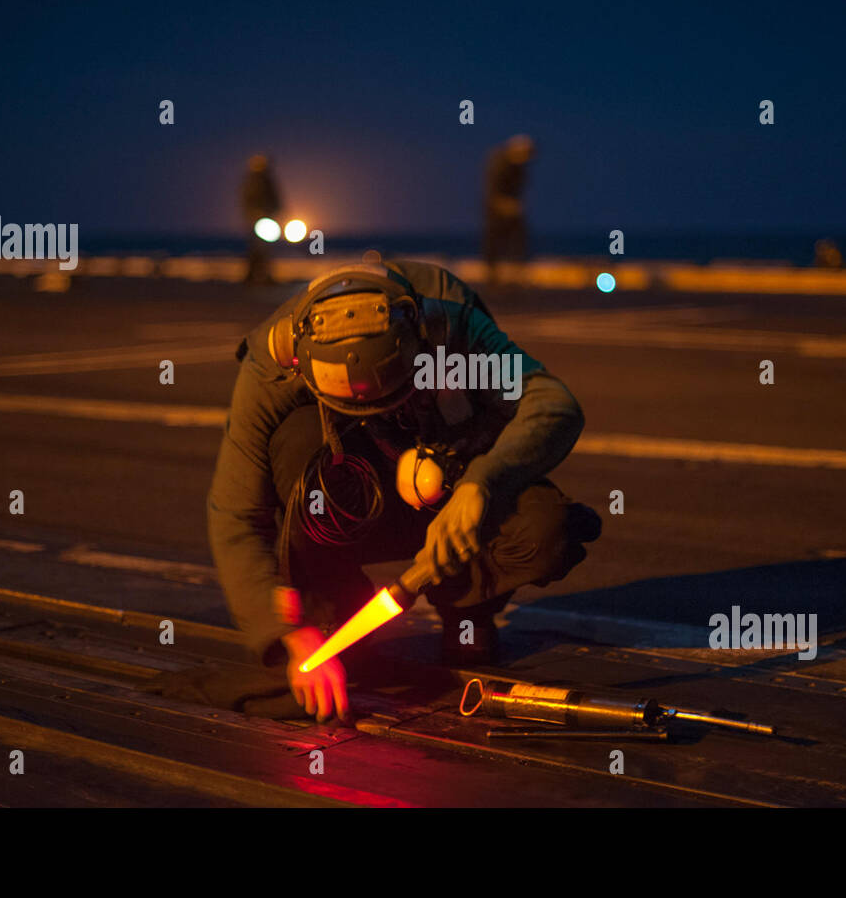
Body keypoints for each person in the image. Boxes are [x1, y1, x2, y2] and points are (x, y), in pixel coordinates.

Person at [206, 258, 600, 723]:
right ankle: (333, 606)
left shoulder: (451, 319)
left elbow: (553, 404)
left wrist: (480, 483)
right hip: (354, 492)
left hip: (451, 474)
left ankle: (466, 606)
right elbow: (234, 512)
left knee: (543, 528)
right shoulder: (274, 360)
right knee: (296, 445)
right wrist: (289, 633)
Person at [482, 135, 535, 282]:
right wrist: (505, 204)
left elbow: (518, 188)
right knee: (494, 240)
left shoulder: (519, 166)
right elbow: (492, 189)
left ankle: (516, 270)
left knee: (517, 240)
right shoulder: (500, 163)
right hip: (495, 209)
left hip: (512, 208)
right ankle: (492, 274)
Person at [240, 154, 281, 285]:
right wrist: (254, 215)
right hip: (258, 220)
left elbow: (276, 200)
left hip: (266, 219)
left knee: (263, 249)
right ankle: (253, 276)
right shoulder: (252, 181)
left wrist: (275, 212)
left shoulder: (267, 180)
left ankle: (261, 276)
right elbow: (247, 201)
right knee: (258, 248)